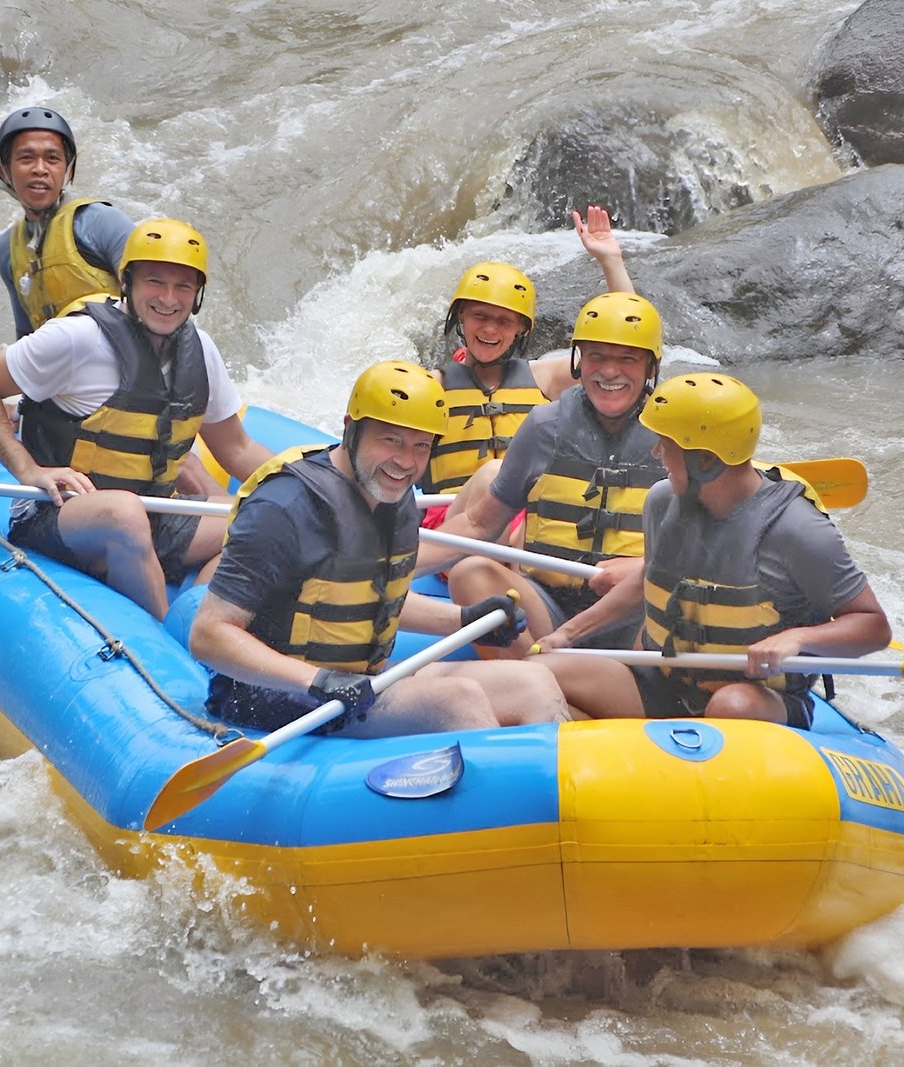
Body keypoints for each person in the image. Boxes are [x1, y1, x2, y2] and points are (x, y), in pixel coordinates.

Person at [189, 360, 570, 737]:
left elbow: (371, 598)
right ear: (350, 427)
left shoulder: (393, 497)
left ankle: (552, 775)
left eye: (421, 446)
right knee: (456, 700)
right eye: (391, 440)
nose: (405, 462)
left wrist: (466, 619)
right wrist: (317, 680)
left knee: (533, 682)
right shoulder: (282, 507)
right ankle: (499, 778)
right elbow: (208, 634)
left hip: (358, 682)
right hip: (274, 694)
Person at [0, 217, 272, 619]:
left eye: (183, 287)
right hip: (58, 513)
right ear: (127, 282)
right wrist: (29, 470)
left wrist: (312, 486)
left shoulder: (201, 350)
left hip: (153, 510)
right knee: (124, 512)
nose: (168, 298)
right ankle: (159, 641)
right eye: (155, 282)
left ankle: (195, 621)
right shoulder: (77, 339)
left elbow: (237, 449)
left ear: (197, 295)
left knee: (259, 520)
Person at [540, 373, 892, 728]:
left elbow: (873, 627)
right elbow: (651, 579)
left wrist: (798, 638)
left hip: (756, 699)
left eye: (666, 445)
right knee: (540, 674)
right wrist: (568, 633)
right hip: (663, 684)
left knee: (731, 705)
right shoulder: (663, 500)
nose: (656, 453)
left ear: (705, 461)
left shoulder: (797, 529)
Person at [415, 292, 668, 658]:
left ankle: (554, 676)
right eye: (596, 356)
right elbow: (479, 523)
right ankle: (540, 674)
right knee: (471, 573)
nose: (609, 371)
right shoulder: (544, 426)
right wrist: (391, 566)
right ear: (579, 361)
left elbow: (717, 548)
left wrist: (645, 568)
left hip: (634, 614)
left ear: (650, 367)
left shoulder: (677, 437)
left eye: (627, 359)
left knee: (678, 607)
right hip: (548, 605)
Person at [421, 206, 636, 525]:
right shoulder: (430, 387)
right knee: (492, 474)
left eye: (504, 321)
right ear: (461, 316)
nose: (490, 329)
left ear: (521, 328)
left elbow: (627, 348)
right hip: (451, 522)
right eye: (480, 316)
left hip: (525, 523)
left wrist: (611, 261)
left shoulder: (543, 378)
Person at [0, 106, 135, 339]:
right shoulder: (6, 249)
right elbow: (26, 338)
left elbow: (154, 307)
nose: (40, 169)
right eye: (26, 158)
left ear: (68, 169)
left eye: (52, 159)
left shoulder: (101, 222)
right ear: (4, 169)